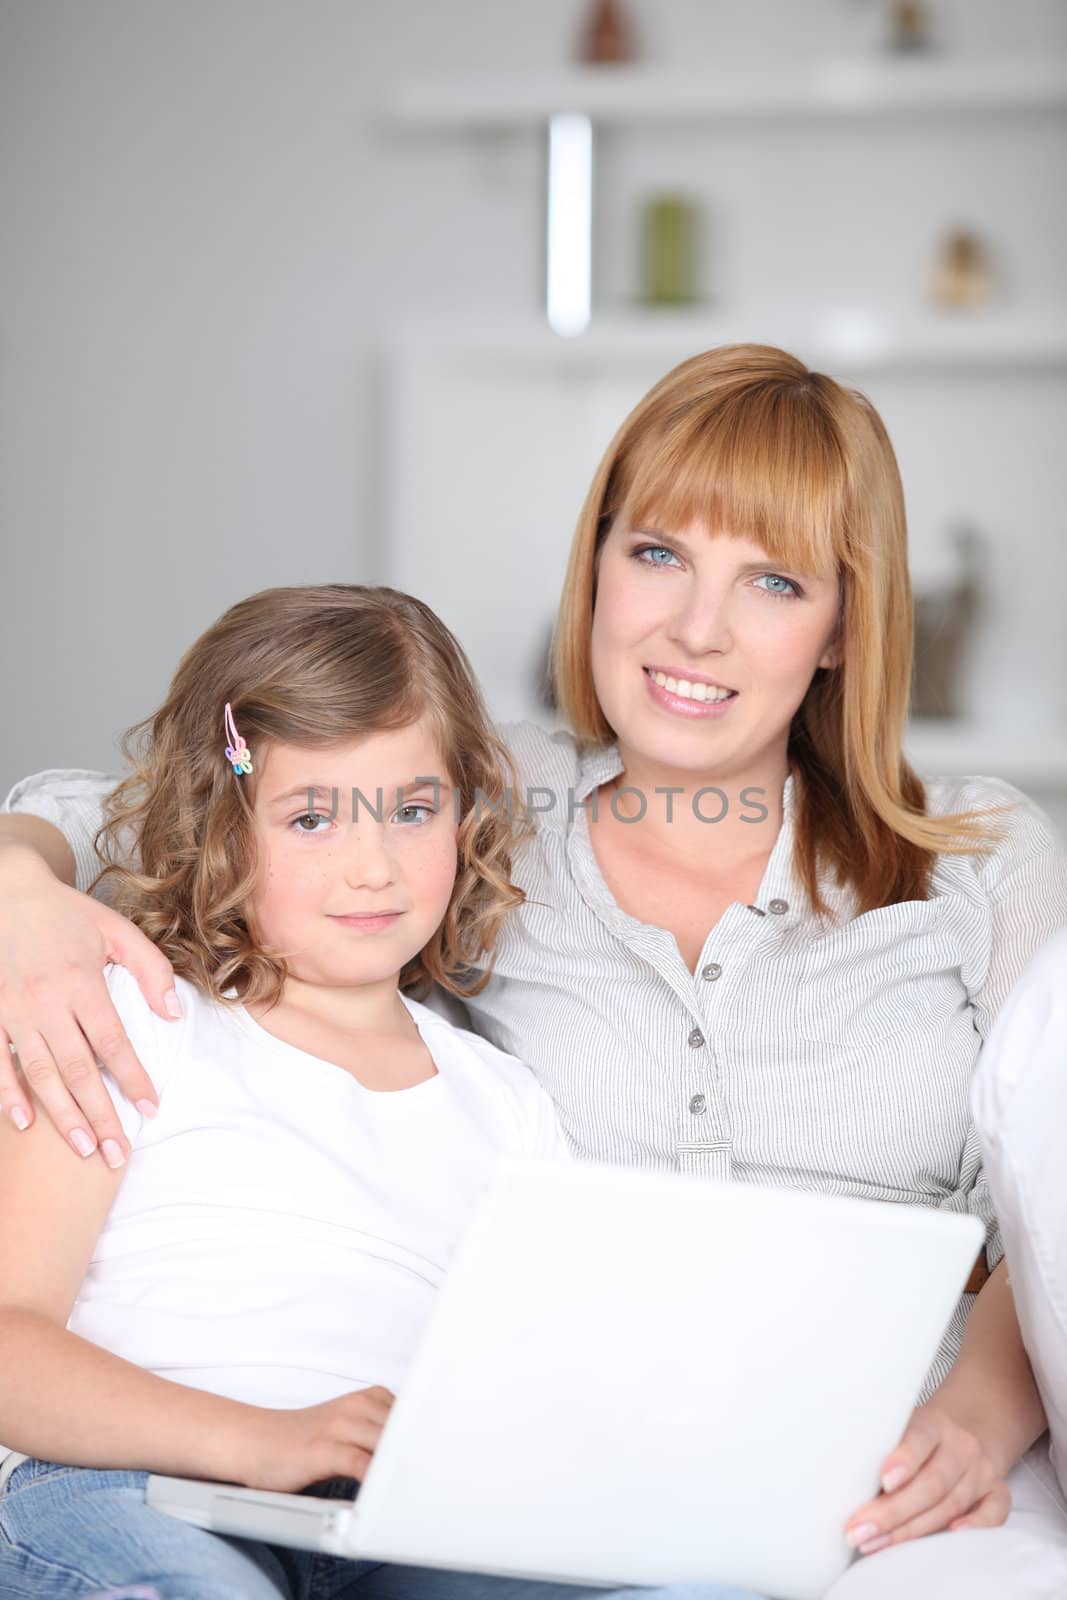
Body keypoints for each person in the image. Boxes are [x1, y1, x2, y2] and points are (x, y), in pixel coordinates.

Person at [3, 343, 1067, 1595]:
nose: (695, 628)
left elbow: (1050, 1176)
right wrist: (19, 891)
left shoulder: (978, 852)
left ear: (843, 625)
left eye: (773, 581)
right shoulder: (476, 802)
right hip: (548, 1482)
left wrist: (986, 1413)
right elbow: (157, 801)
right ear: (596, 563)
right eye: (656, 553)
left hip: (883, 1476)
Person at [0, 585, 758, 1600]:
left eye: (412, 810)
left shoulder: (504, 1103)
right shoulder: (132, 1021)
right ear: (222, 823)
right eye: (311, 816)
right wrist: (261, 1441)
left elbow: (549, 1383)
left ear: (465, 811)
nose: (372, 865)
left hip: (392, 1520)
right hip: (130, 1489)